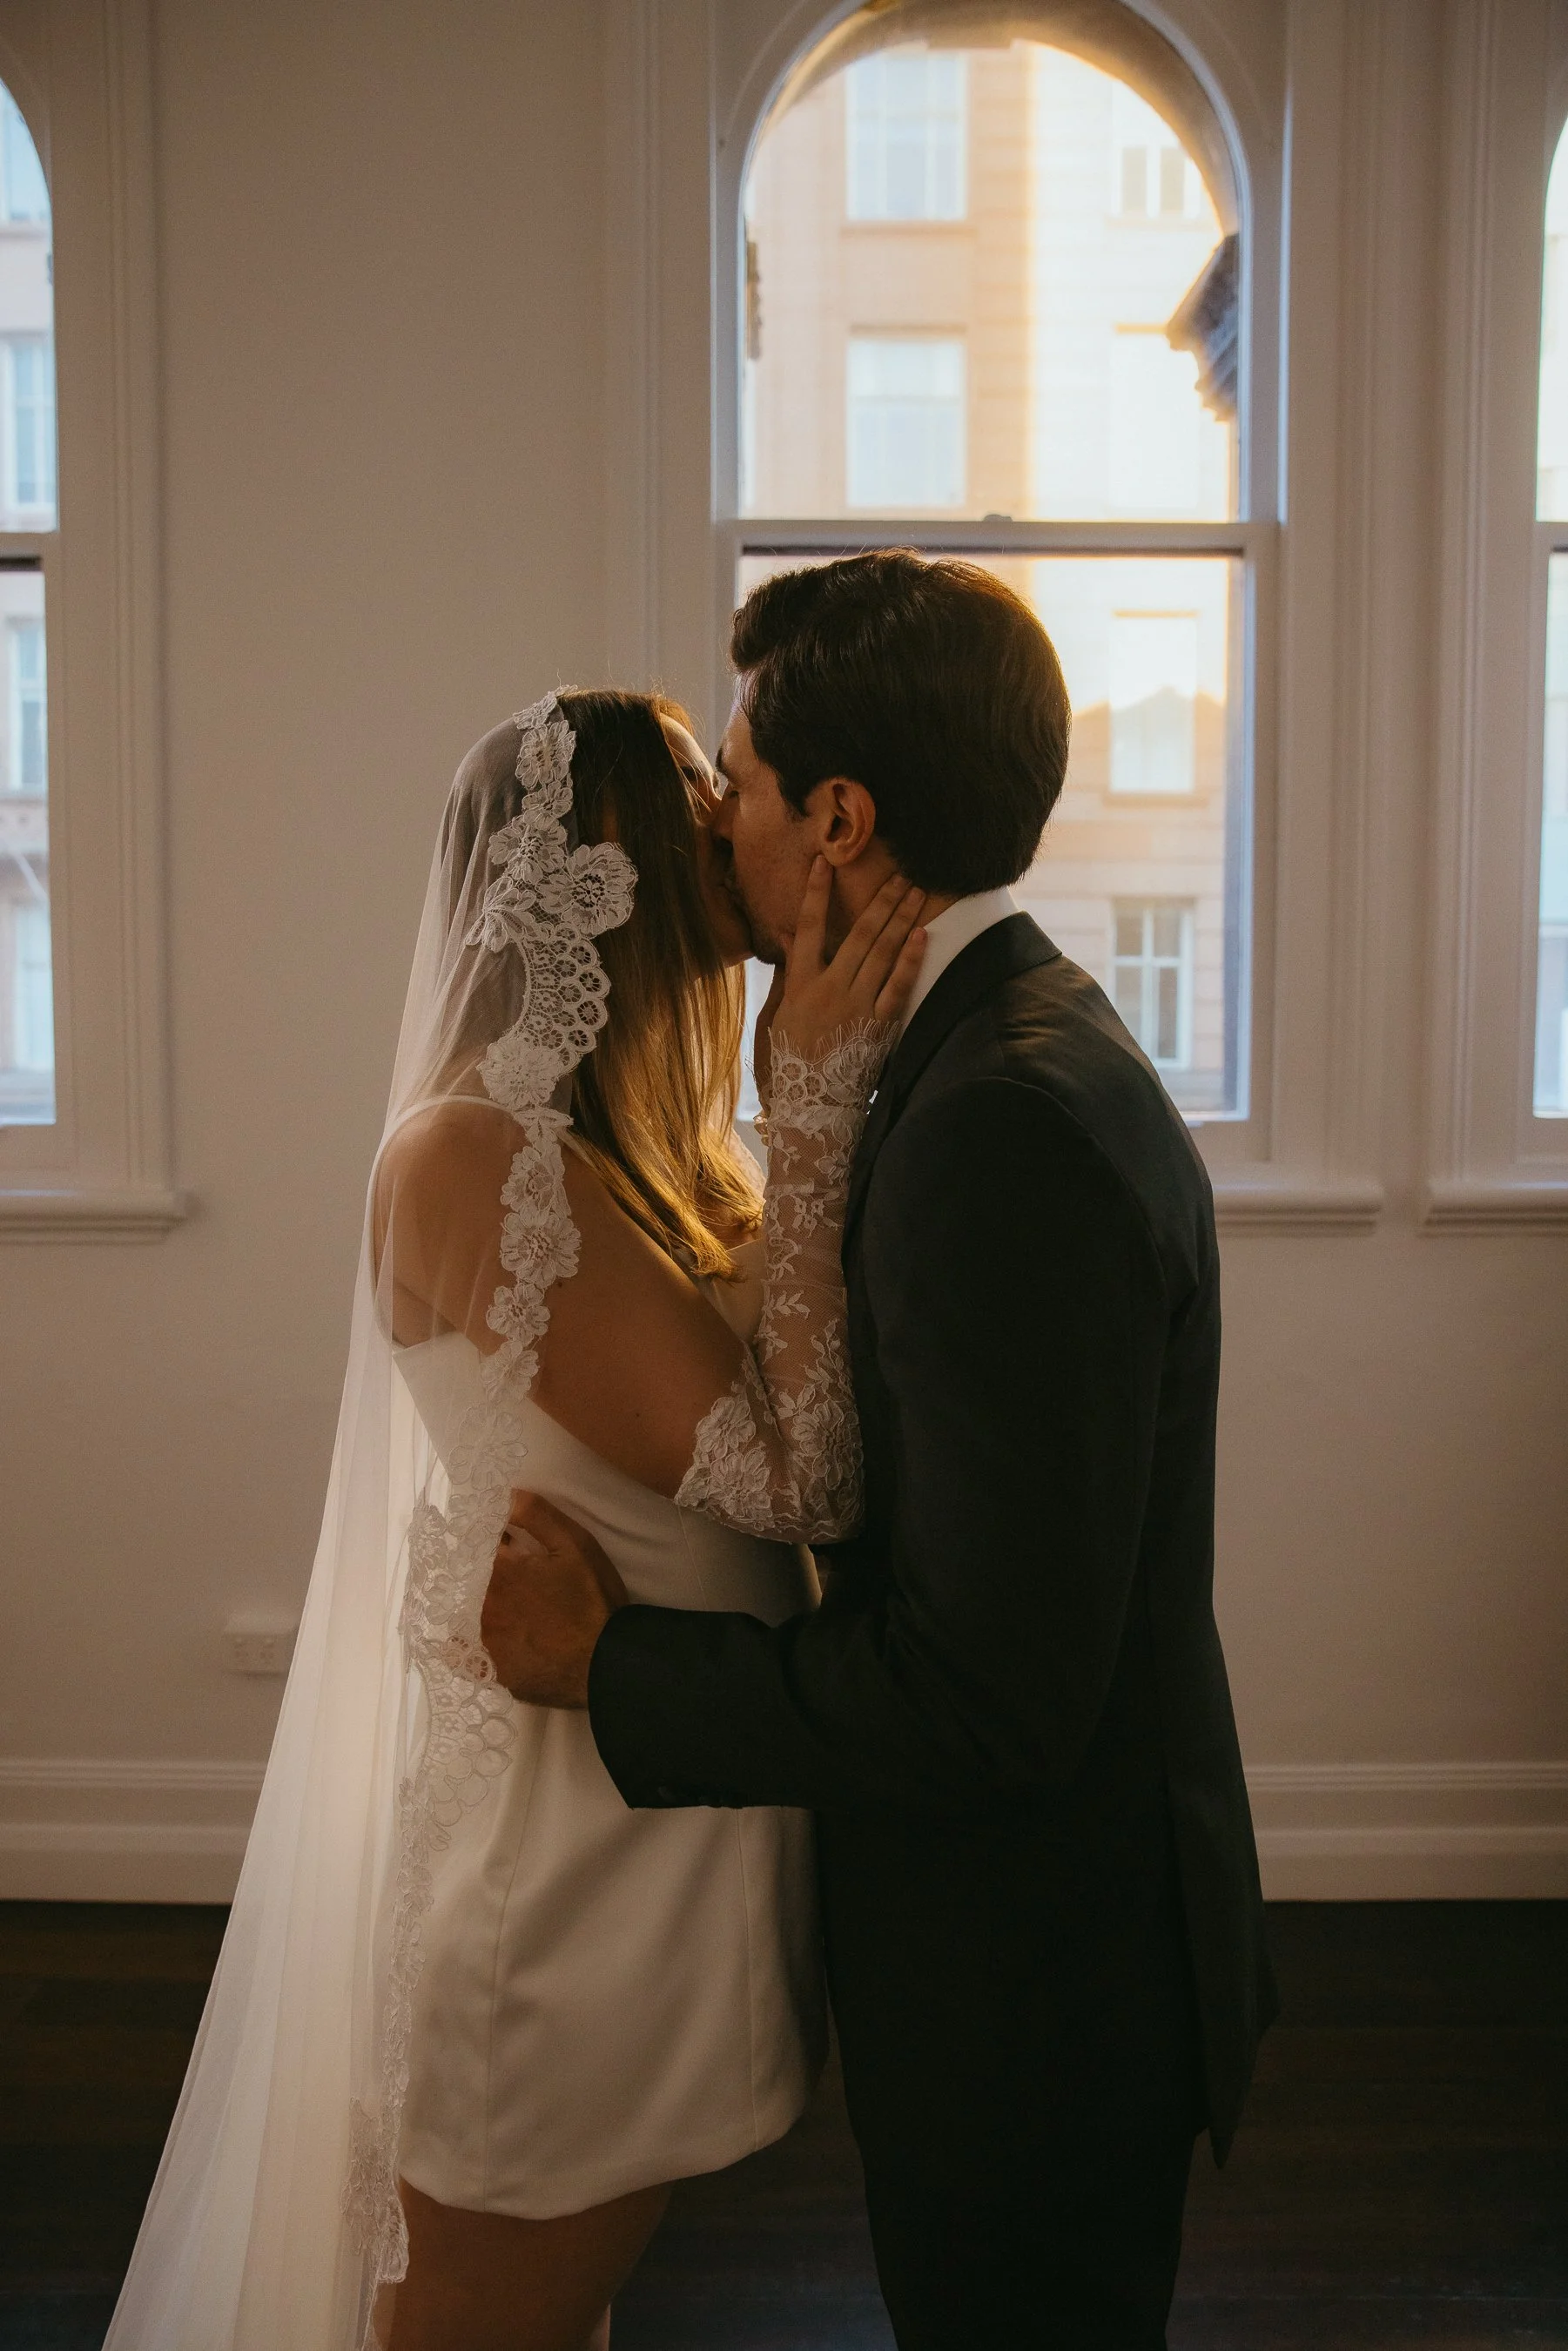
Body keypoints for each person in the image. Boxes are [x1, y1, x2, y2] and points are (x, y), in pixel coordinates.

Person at [482, 553, 1278, 2351]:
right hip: (1030, 1946)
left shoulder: (1002, 1123)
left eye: (742, 786)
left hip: (1040, 1991)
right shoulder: (992, 1049)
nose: (717, 831)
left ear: (835, 819)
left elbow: (991, 1694)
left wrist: (613, 1664)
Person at [102, 684, 926, 2351]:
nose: (734, 838)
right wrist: (821, 1113)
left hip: (651, 1808)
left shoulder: (638, 1146)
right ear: (609, 865)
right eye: (703, 806)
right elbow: (797, 1480)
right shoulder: (477, 1154)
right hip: (559, 1872)